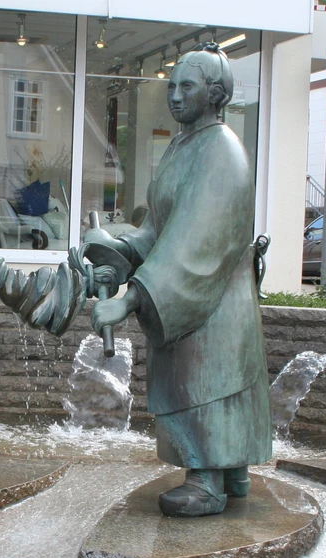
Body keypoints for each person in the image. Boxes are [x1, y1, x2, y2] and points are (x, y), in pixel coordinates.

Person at [85, 43, 270, 517]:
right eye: (170, 86)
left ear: (214, 93)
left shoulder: (222, 151)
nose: (174, 95)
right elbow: (160, 231)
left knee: (205, 384)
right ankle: (231, 472)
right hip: (203, 300)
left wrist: (128, 302)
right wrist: (120, 248)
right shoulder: (184, 145)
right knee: (204, 383)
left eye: (185, 87)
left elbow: (196, 245)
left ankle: (208, 482)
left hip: (213, 305)